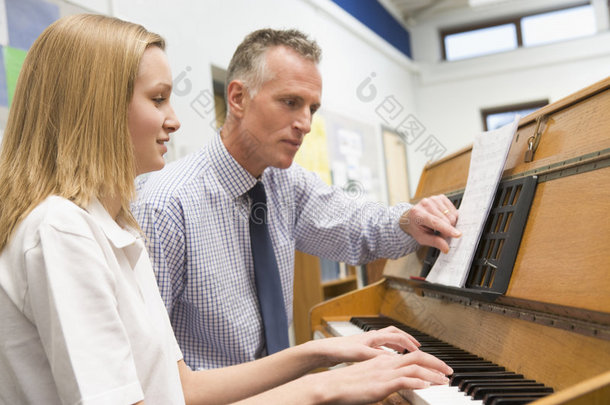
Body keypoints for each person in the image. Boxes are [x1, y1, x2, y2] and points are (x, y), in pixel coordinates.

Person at [0, 14, 454, 405]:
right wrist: (325, 388)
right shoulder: (86, 225)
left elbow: (179, 387)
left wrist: (326, 356)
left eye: (311, 107)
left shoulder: (117, 223)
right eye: (158, 99)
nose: (305, 124)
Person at [133, 27, 461, 370]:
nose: (305, 123)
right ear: (238, 98)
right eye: (290, 102)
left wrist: (408, 219)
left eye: (312, 108)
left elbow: (354, 225)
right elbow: (148, 367)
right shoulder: (164, 205)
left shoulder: (284, 182)